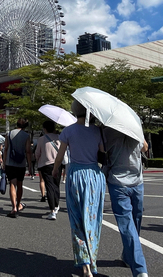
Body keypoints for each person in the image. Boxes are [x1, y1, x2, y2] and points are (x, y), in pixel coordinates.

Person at [53, 100, 106, 277]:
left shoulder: (68, 131)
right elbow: (103, 152)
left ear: (74, 112)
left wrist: (55, 170)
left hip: (75, 175)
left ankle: (85, 266)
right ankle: (92, 259)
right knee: (93, 218)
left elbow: (60, 157)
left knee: (77, 220)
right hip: (94, 175)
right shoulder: (97, 130)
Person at [103, 126, 150, 277]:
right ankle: (139, 267)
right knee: (134, 222)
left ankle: (129, 256)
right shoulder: (134, 126)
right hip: (136, 181)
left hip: (118, 181)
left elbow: (101, 151)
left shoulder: (106, 130)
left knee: (129, 224)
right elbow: (144, 147)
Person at [3, 117, 33, 218]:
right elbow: (28, 151)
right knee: (20, 184)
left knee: (12, 184)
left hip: (10, 163)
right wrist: (30, 164)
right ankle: (18, 204)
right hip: (21, 163)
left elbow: (6, 149)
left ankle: (13, 207)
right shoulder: (26, 136)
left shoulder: (9, 134)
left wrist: (4, 162)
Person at [34, 120, 61, 220]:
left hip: (46, 165)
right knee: (56, 185)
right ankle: (57, 205)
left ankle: (52, 210)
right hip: (58, 164)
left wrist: (39, 160)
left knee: (49, 187)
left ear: (45, 129)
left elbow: (37, 153)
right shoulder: (59, 138)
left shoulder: (41, 139)